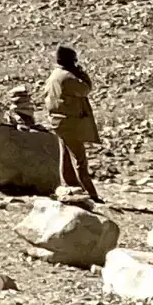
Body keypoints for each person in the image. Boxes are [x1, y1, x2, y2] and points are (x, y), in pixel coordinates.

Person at [44, 45, 102, 201]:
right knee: (80, 160)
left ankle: (71, 188)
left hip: (59, 121)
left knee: (66, 157)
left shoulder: (55, 75)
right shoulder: (67, 77)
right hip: (69, 123)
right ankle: (90, 194)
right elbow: (86, 89)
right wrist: (82, 73)